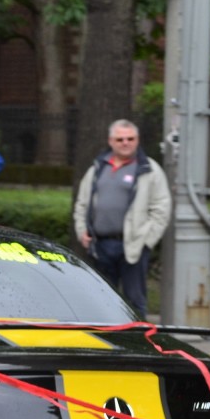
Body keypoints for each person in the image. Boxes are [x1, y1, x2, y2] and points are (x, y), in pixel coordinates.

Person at [72, 119, 171, 322]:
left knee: (135, 301)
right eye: (120, 139)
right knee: (101, 300)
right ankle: (105, 344)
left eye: (130, 139)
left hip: (133, 245)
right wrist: (82, 230)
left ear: (137, 140)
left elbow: (162, 208)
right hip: (100, 245)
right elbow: (82, 203)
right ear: (111, 141)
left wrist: (146, 240)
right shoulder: (98, 167)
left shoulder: (149, 169)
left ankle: (138, 342)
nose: (125, 142)